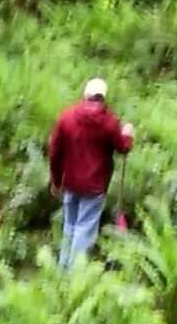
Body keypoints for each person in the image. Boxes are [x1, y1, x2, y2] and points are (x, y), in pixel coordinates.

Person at [46, 77, 133, 268]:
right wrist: (127, 134)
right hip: (94, 186)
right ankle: (73, 278)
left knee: (69, 227)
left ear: (85, 95)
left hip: (70, 182)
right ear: (103, 97)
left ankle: (62, 272)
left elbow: (54, 151)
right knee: (84, 230)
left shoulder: (66, 117)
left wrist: (55, 180)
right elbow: (123, 147)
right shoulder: (109, 122)